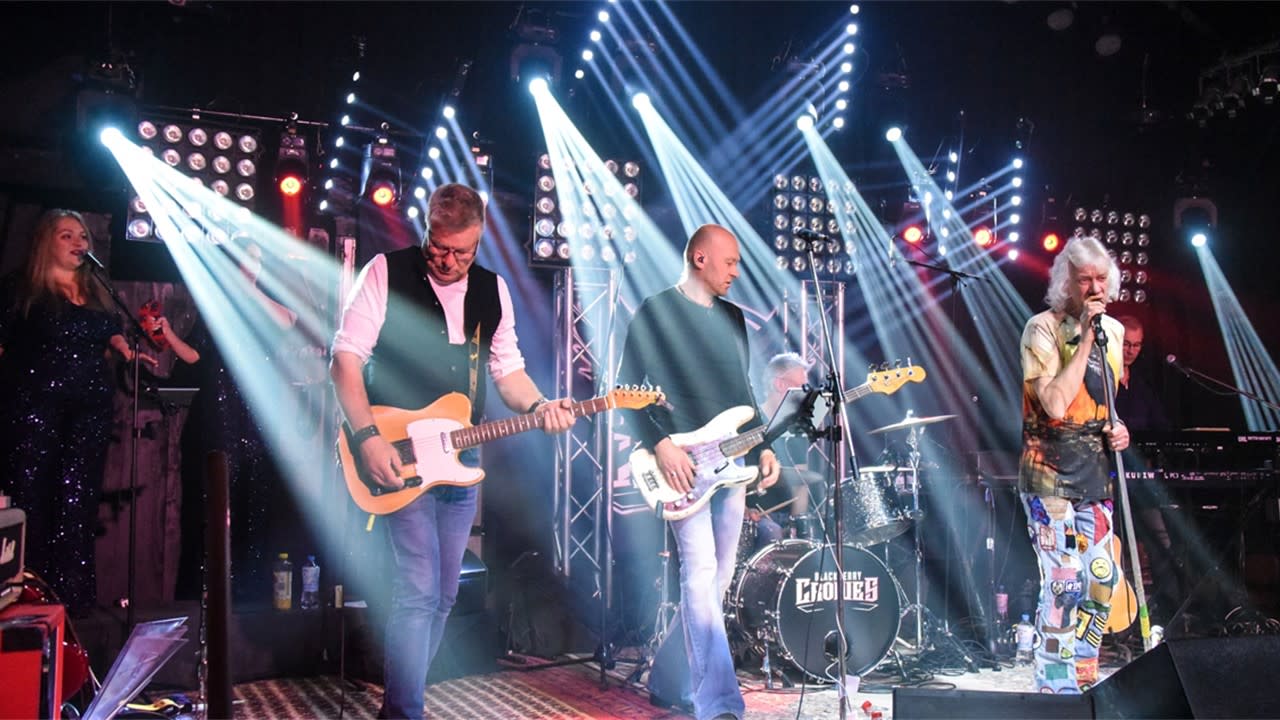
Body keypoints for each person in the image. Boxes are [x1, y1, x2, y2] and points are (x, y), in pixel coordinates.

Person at [330, 183, 574, 720]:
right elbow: (344, 360)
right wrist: (367, 438)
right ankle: (406, 712)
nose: (447, 261)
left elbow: (508, 372)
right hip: (397, 450)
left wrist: (541, 405)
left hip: (459, 459)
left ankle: (398, 707)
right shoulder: (385, 272)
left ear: (479, 239)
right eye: (437, 247)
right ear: (426, 230)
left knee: (443, 594)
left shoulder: (492, 289)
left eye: (461, 252)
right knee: (419, 589)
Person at [619, 224, 780, 720]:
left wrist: (764, 446)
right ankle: (719, 703)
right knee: (700, 573)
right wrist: (661, 443)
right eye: (729, 262)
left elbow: (743, 391)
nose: (736, 272)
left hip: (731, 461)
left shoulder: (733, 317)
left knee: (718, 579)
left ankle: (668, 677)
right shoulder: (655, 312)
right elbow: (624, 391)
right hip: (681, 464)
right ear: (699, 258)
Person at [0, 209, 152, 614]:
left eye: (82, 236)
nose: (77, 243)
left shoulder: (97, 291)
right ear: (45, 242)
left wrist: (127, 351)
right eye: (66, 235)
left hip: (88, 413)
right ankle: (29, 601)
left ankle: (74, 605)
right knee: (33, 501)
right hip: (33, 410)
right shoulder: (22, 289)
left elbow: (111, 333)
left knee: (76, 504)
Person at [1017, 235, 1130, 693]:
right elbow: (1055, 404)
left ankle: (1084, 671)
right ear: (1067, 283)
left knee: (1103, 579)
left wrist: (1118, 429)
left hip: (1094, 472)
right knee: (1065, 581)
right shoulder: (1041, 329)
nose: (1095, 288)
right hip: (1048, 472)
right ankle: (1054, 681)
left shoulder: (1115, 332)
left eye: (1101, 279)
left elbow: (1102, 405)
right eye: (1085, 280)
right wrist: (1083, 338)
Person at [170, 235, 298, 604]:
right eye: (242, 259)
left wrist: (248, 288)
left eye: (255, 259)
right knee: (214, 500)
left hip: (256, 412)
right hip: (218, 410)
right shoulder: (215, 306)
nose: (248, 266)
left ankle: (249, 592)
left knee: (254, 500)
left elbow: (287, 322)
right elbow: (195, 355)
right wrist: (167, 335)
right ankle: (206, 593)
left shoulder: (267, 305)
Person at [1113, 314, 1183, 624]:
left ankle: (1170, 612)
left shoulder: (1142, 385)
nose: (1131, 351)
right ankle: (1115, 613)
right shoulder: (1100, 381)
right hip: (1108, 478)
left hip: (1141, 480)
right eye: (1126, 344)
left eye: (1137, 345)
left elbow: (1163, 428)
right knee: (1111, 545)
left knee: (1161, 539)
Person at [747, 352, 825, 549]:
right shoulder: (749, 422)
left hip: (784, 519)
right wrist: (743, 510)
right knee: (770, 531)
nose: (807, 394)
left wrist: (797, 527)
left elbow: (801, 482)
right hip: (750, 517)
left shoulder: (796, 428)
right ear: (780, 384)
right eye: (802, 387)